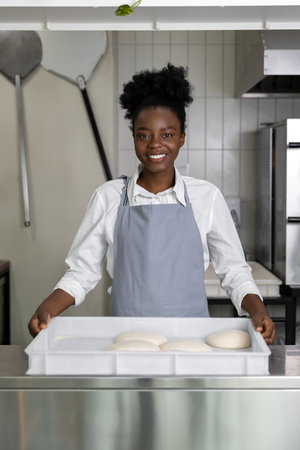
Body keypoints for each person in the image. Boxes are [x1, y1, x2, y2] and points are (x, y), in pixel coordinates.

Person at [28, 64, 275, 344]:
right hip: (126, 343)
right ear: (134, 137)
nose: (155, 144)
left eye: (167, 134)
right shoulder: (108, 197)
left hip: (191, 344)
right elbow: (82, 272)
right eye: (144, 134)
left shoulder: (206, 197)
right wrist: (48, 308)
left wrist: (257, 310)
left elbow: (233, 270)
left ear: (182, 137)